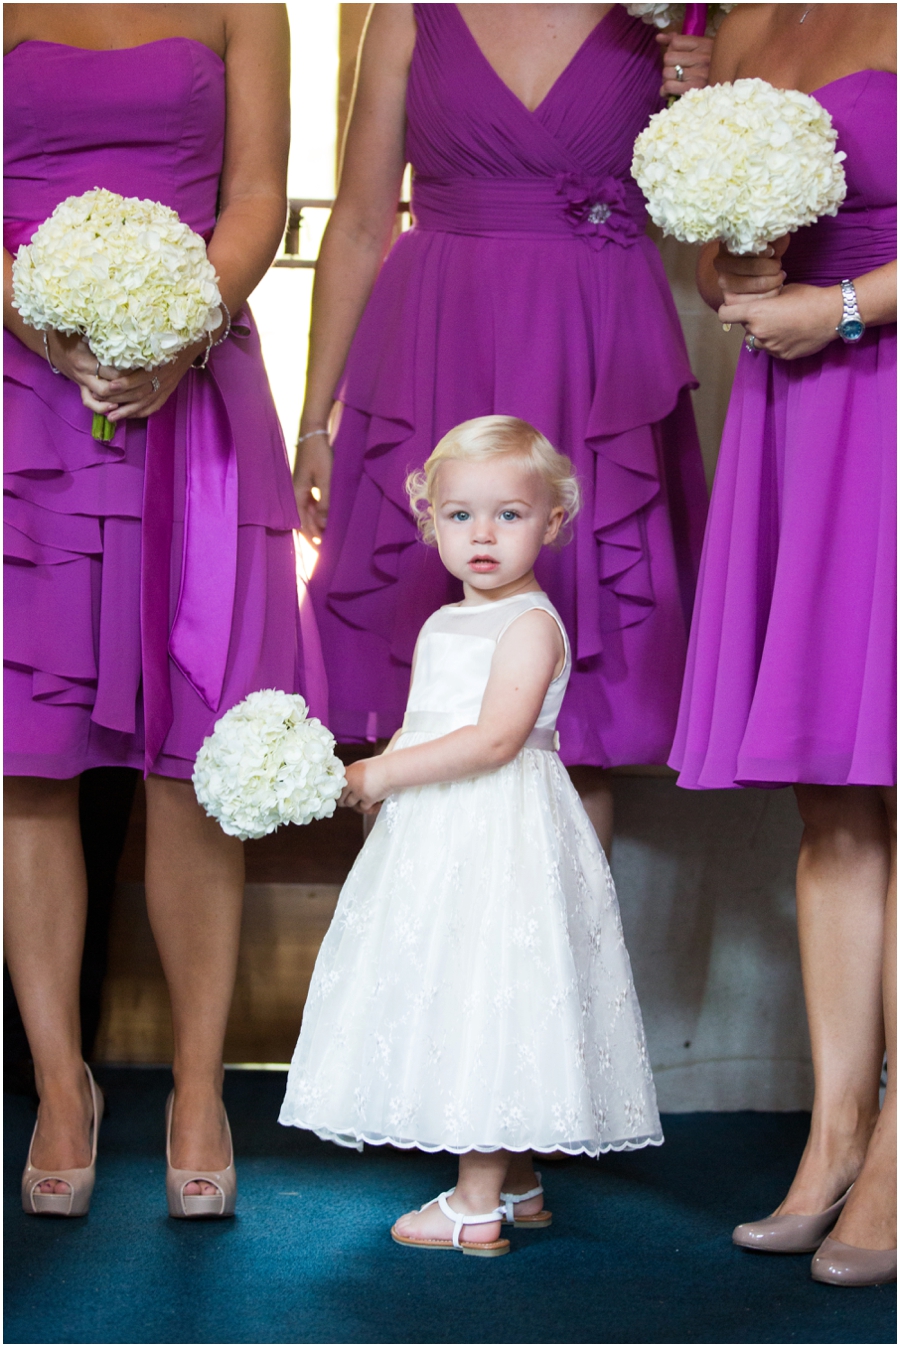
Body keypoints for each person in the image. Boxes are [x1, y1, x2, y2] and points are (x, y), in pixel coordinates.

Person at [4, 3, 321, 1219]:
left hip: (193, 385)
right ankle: (57, 1084)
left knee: (198, 755)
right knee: (23, 760)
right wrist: (46, 325)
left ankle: (198, 1089)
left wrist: (176, 334)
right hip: (18, 390)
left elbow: (256, 195)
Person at [293, 3, 712, 855]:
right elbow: (364, 219)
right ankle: (411, 963)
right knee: (416, 679)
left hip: (594, 354)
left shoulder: (668, 16)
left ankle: (560, 967)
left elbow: (714, 219)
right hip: (434, 343)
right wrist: (312, 420)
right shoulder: (408, 12)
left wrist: (700, 99)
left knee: (580, 712)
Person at [280, 416, 662, 1253]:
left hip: (500, 830)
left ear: (553, 521)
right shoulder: (445, 622)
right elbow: (430, 724)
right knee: (460, 985)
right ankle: (518, 1178)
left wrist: (378, 774)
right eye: (459, 515)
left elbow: (495, 738)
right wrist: (391, 777)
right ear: (432, 523)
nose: (481, 534)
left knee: (493, 992)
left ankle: (473, 1203)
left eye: (509, 515)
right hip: (441, 829)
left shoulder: (529, 624)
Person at [669, 3, 896, 1287]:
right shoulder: (753, 15)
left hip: (884, 371)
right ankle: (837, 1130)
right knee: (834, 788)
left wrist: (851, 309)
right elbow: (720, 255)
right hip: (797, 402)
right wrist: (734, 277)